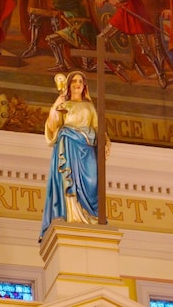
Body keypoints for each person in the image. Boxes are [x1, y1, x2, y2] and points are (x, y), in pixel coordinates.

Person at [40, 71, 105, 240]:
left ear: (85, 86)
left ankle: (89, 215)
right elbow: (53, 125)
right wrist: (56, 104)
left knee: (91, 182)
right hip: (68, 146)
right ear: (68, 85)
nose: (77, 84)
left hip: (86, 148)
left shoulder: (89, 107)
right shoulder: (64, 105)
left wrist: (103, 139)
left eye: (80, 81)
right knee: (68, 181)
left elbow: (98, 129)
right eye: (74, 81)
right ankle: (71, 213)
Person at [17, 0, 97, 73]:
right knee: (52, 40)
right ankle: (61, 64)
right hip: (75, 27)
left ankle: (103, 67)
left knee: (88, 67)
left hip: (80, 30)